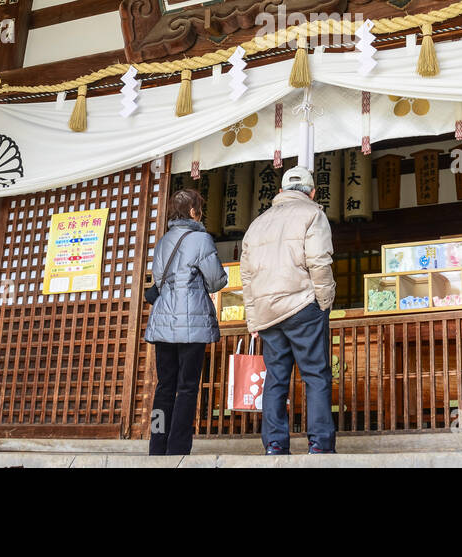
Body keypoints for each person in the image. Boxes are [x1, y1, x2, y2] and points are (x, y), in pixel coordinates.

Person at [240, 165, 336, 455]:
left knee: (276, 377)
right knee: (315, 374)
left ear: (280, 192)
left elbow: (246, 276)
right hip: (302, 305)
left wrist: (253, 316)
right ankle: (319, 444)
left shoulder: (257, 224)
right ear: (313, 192)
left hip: (268, 312)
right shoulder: (313, 214)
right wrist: (324, 300)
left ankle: (274, 444)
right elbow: (319, 262)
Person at [143, 188, 227, 456]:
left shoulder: (162, 241)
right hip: (192, 323)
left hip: (163, 322)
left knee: (164, 386)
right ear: (193, 211)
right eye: (199, 208)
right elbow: (216, 281)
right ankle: (178, 447)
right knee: (187, 387)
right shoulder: (201, 239)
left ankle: (157, 443)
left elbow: (158, 280)